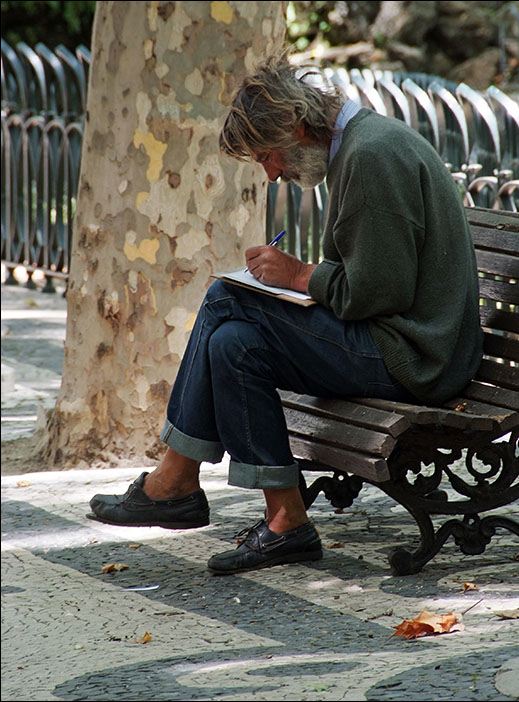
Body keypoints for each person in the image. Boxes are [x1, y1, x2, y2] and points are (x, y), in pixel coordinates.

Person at [88, 51, 483, 575]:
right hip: (402, 343)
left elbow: (377, 292)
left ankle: (175, 480)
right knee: (233, 343)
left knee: (224, 299)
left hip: (415, 357)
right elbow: (375, 278)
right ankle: (285, 521)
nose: (271, 174)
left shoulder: (371, 155)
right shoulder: (358, 149)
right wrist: (299, 283)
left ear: (298, 127)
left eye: (267, 156)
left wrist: (298, 276)